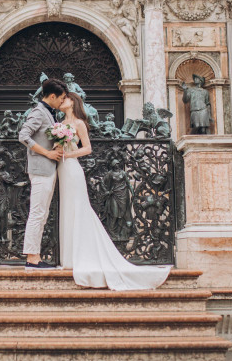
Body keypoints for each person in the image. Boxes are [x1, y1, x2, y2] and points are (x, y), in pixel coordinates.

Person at [56, 91, 171, 290]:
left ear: (72, 102)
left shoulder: (79, 123)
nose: (61, 100)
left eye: (65, 98)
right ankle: (67, 257)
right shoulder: (59, 124)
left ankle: (80, 256)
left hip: (72, 167)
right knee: (66, 209)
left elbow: (88, 149)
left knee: (78, 208)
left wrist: (68, 154)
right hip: (62, 168)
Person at [18, 78, 68, 268]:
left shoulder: (49, 113)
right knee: (37, 213)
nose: (62, 101)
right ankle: (32, 258)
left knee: (42, 213)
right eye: (61, 98)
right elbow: (23, 136)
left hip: (47, 169)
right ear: (52, 96)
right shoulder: (39, 112)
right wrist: (47, 153)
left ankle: (35, 255)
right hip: (40, 169)